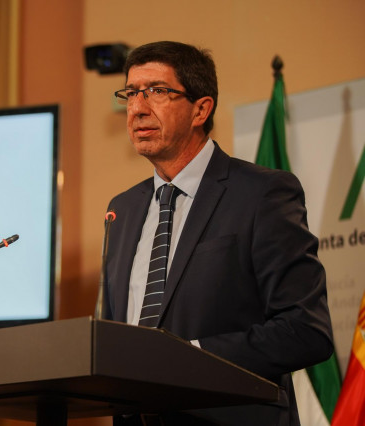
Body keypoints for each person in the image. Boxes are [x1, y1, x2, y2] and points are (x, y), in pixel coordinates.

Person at [104, 41, 334, 425]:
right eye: (131, 93)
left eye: (157, 91)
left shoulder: (262, 193)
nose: (138, 108)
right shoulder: (122, 209)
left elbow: (304, 330)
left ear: (201, 109)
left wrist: (187, 357)